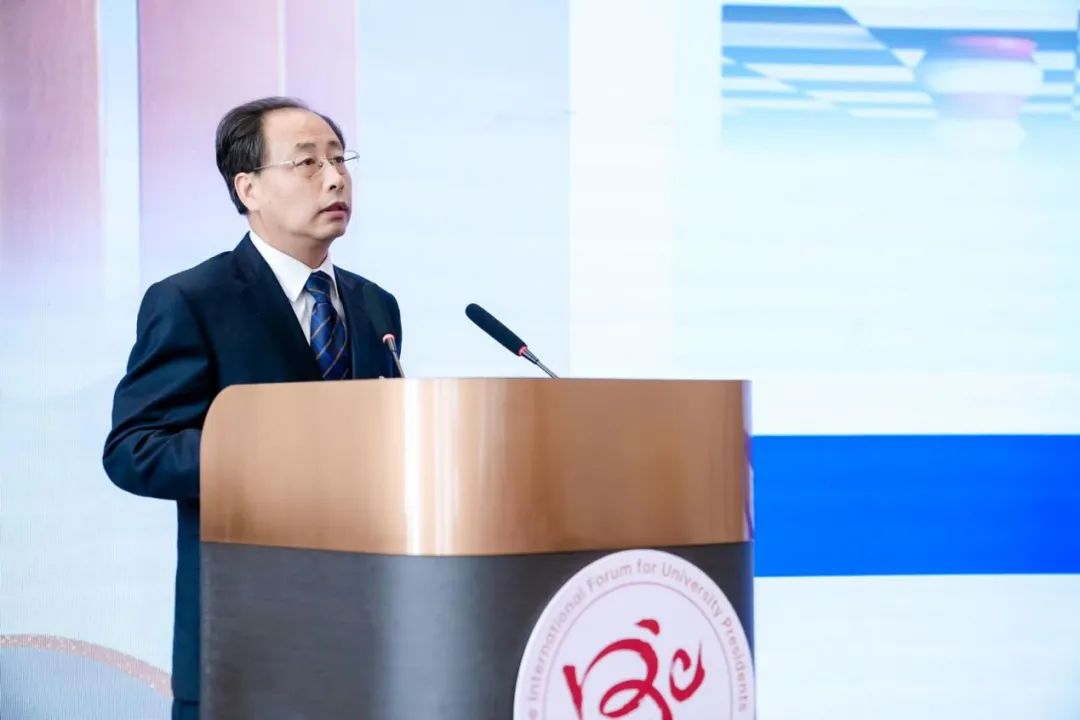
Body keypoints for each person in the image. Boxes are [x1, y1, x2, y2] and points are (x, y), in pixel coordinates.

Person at [103, 96, 402, 720]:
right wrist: (272, 452)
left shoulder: (375, 305)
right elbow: (136, 449)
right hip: (245, 641)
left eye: (339, 159)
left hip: (363, 633)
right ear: (248, 188)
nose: (335, 178)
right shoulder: (193, 299)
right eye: (307, 162)